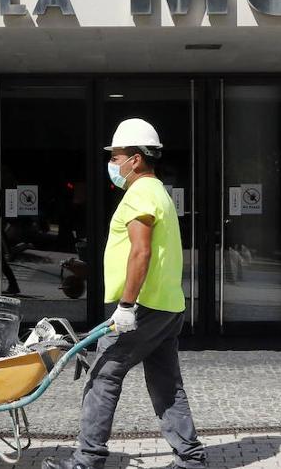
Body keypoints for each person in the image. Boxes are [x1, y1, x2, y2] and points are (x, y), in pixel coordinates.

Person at [43, 118, 205, 469]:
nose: (112, 165)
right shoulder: (157, 191)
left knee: (102, 375)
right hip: (166, 305)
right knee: (166, 384)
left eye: (116, 157)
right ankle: (191, 458)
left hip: (142, 307)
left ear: (136, 159)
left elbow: (141, 252)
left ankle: (87, 460)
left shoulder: (140, 195)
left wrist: (126, 305)